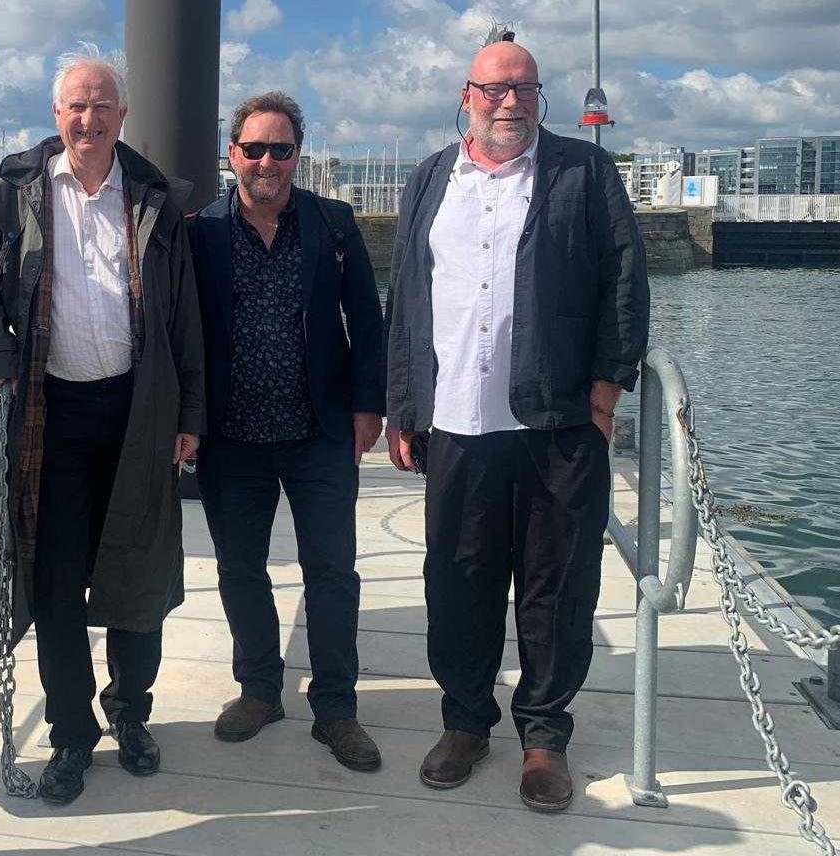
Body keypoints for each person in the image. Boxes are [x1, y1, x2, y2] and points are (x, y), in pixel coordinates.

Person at [385, 40, 648, 811]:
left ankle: (542, 737)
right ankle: (465, 722)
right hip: (455, 423)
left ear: (540, 96)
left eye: (524, 89)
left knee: (555, 587)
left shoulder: (583, 172)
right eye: (494, 89)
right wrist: (404, 405)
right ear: (466, 93)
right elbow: (406, 297)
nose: (509, 102)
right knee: (457, 580)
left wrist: (604, 397)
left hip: (556, 419)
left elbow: (624, 283)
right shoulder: (432, 176)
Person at [0, 43, 204, 806]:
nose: (88, 117)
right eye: (75, 104)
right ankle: (70, 736)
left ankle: (130, 714)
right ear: (55, 114)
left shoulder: (155, 200)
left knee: (138, 573)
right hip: (48, 415)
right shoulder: (12, 192)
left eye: (101, 104)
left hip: (139, 411)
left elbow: (185, 320)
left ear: (121, 115)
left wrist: (189, 415)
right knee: (57, 586)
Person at [187, 91, 386, 771]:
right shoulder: (200, 232)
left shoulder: (331, 225)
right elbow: (181, 335)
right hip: (230, 437)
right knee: (240, 569)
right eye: (253, 148)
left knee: (330, 571)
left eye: (280, 149)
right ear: (231, 154)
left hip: (318, 431)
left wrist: (369, 407)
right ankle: (259, 690)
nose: (266, 161)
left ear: (297, 155)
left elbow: (367, 317)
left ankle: (335, 709)